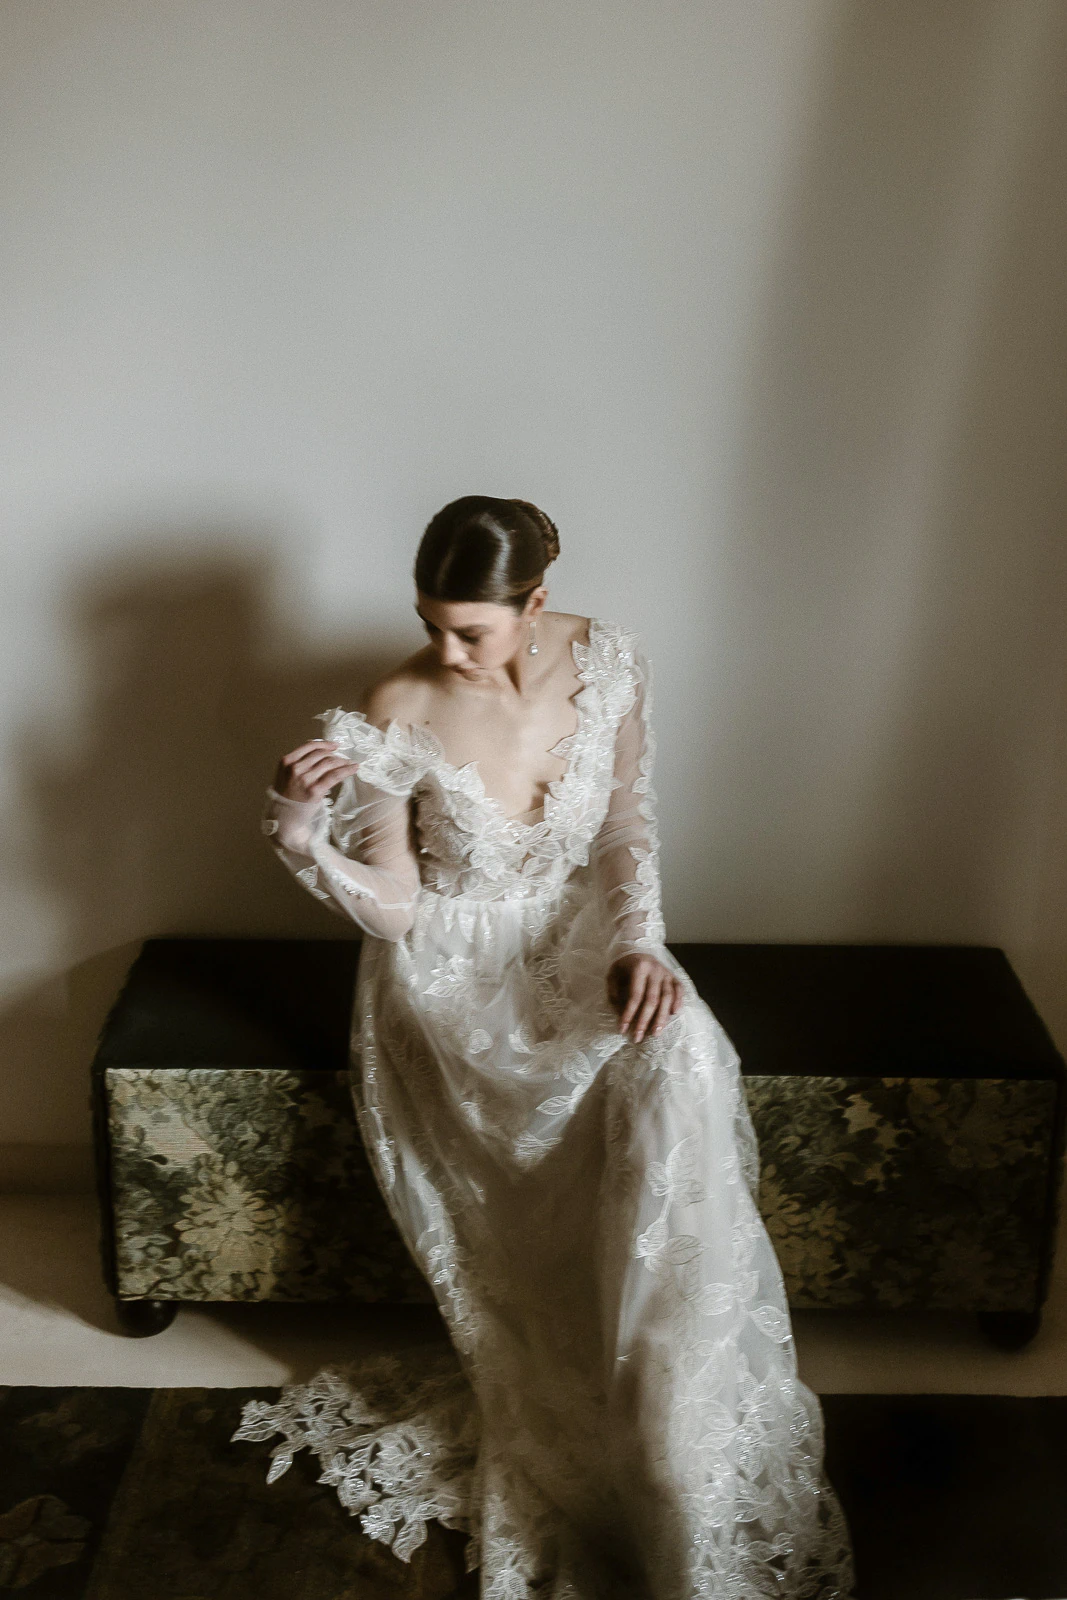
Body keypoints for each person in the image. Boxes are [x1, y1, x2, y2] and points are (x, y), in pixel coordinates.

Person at [232, 496, 855, 1599]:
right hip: (453, 974)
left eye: (471, 628)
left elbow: (623, 824)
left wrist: (640, 944)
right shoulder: (398, 704)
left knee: (681, 1057)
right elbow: (393, 907)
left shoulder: (604, 662)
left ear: (537, 602)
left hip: (578, 938)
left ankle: (678, 1429)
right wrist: (297, 833)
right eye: (430, 623)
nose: (446, 648)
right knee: (612, 1087)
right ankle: (604, 1423)